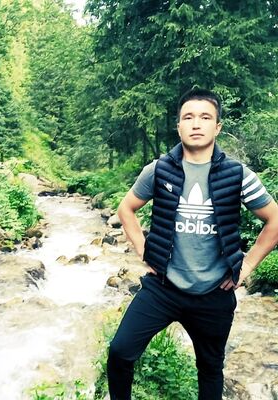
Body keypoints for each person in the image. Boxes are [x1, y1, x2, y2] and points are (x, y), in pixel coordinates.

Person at [107, 88, 278, 400]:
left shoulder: (238, 174)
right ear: (179, 126)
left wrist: (246, 267)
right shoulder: (159, 170)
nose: (196, 124)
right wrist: (144, 249)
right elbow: (126, 209)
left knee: (210, 369)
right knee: (120, 351)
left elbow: (274, 220)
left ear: (217, 127)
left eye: (205, 117)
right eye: (188, 117)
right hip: (163, 288)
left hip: (214, 294)